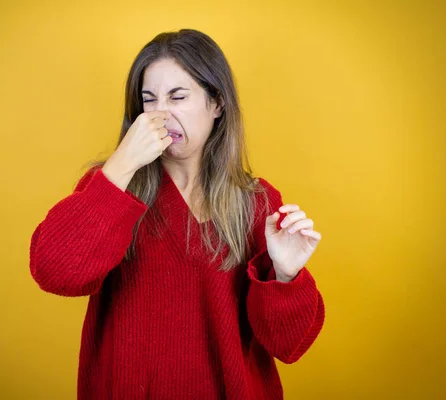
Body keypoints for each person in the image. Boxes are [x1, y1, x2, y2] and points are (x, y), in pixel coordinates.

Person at [29, 28, 325, 400]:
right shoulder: (110, 185)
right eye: (148, 100)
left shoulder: (257, 203)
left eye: (177, 97)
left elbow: (290, 345)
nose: (159, 114)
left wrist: (286, 274)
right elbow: (55, 273)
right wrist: (122, 164)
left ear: (216, 104)